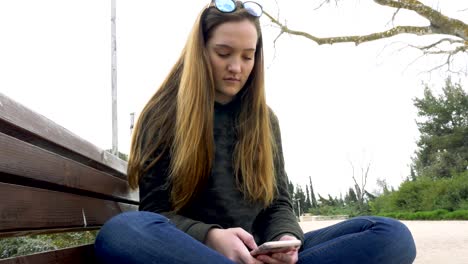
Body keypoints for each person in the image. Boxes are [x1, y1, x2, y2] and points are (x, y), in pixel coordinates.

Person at [94, 0, 417, 263]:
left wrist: (285, 239)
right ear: (201, 50)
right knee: (122, 231)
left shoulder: (265, 120)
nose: (237, 67)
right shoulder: (163, 114)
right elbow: (157, 213)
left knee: (390, 234)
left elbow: (278, 203)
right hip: (194, 252)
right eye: (224, 53)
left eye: (248, 56)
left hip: (260, 253)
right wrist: (211, 237)